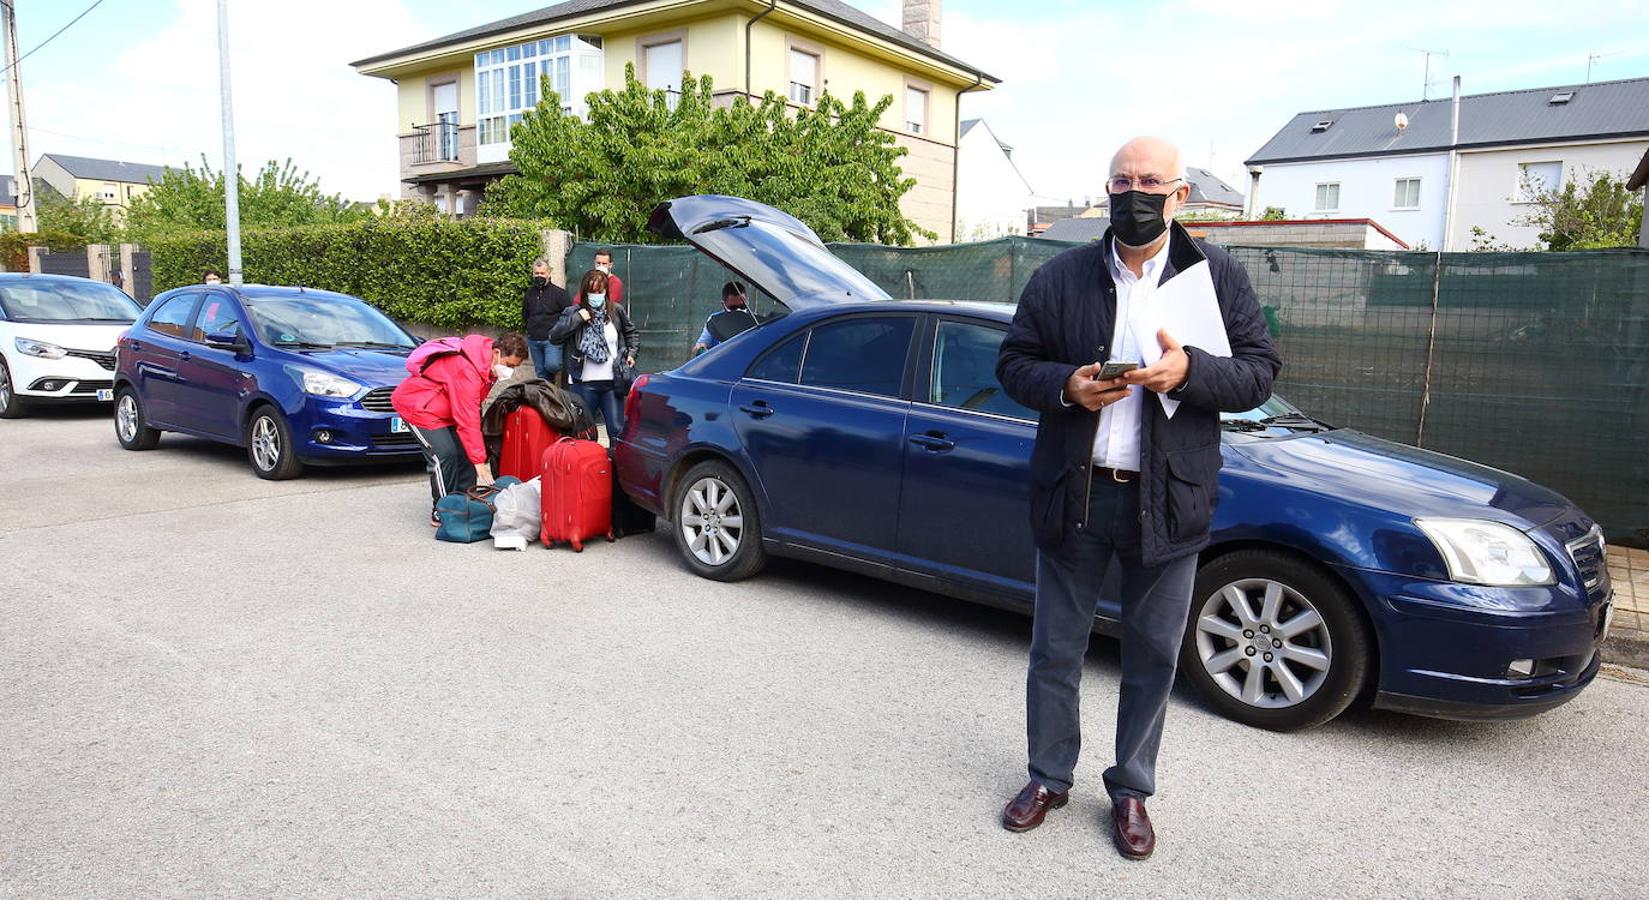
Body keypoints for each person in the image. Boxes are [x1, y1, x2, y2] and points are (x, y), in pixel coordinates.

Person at [994, 137, 1281, 860]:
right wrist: (1066, 386)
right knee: (1054, 650)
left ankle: (1130, 790)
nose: (1134, 192)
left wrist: (1188, 372)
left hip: (1168, 499)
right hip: (1076, 493)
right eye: (1121, 180)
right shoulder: (1060, 276)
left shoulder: (1214, 276)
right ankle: (1048, 777)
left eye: (1149, 180)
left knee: (1152, 653)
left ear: (1179, 193)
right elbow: (1012, 363)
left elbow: (1257, 374)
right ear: (1105, 190)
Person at [392, 332, 530, 526]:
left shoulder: (486, 364)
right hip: (419, 407)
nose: (510, 371)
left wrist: (474, 456)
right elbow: (467, 417)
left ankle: (465, 503)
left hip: (445, 409)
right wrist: (479, 460)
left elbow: (470, 410)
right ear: (497, 353)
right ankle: (442, 509)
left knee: (464, 454)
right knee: (444, 455)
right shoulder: (468, 369)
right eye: (509, 365)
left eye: (515, 367)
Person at [552, 269, 638, 441]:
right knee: (583, 433)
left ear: (606, 291)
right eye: (592, 291)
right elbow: (554, 336)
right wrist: (577, 319)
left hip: (612, 381)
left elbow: (631, 333)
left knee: (617, 431)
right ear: (585, 292)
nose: (596, 295)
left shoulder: (616, 311)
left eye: (600, 291)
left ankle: (615, 466)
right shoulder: (573, 312)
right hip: (583, 382)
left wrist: (631, 353)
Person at [522, 257, 571, 381]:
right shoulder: (529, 294)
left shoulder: (560, 294)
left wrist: (558, 332)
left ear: (548, 273)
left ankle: (550, 383)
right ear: (533, 274)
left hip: (552, 340)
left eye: (542, 273)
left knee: (552, 365)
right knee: (541, 373)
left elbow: (568, 315)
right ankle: (547, 395)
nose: (539, 276)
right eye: (536, 273)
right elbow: (526, 314)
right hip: (534, 340)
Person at [692, 281, 759, 356]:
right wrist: (701, 348)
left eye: (742, 306)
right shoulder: (715, 320)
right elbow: (701, 345)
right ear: (723, 304)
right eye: (733, 308)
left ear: (747, 301)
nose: (738, 311)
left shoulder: (756, 321)